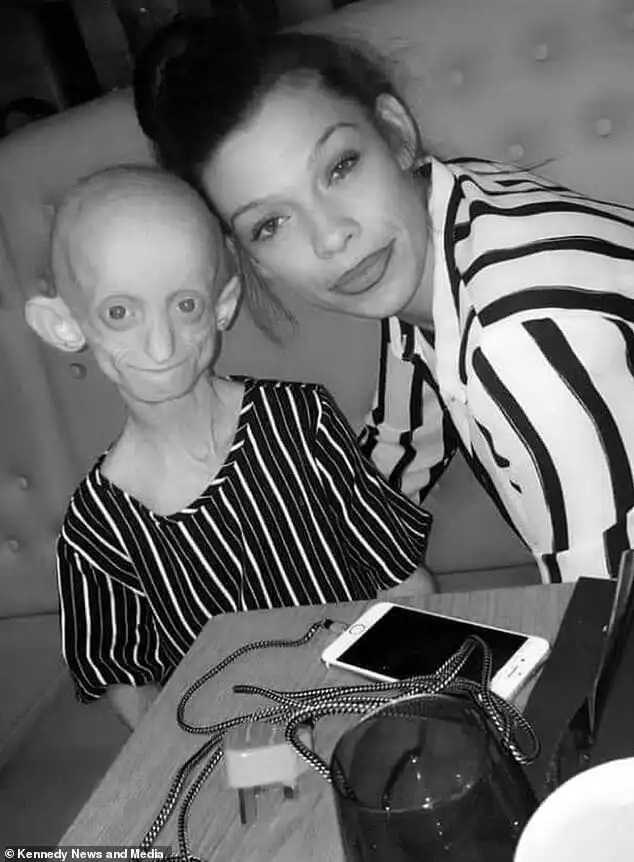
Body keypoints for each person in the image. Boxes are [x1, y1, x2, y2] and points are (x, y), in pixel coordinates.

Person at [133, 16, 634, 585]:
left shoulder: (520, 342)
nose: (330, 237)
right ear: (249, 256)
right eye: (270, 224)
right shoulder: (443, 222)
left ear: (395, 134)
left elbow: (605, 612)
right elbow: (401, 448)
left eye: (340, 168)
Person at [25, 166, 433, 728]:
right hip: (236, 748)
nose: (161, 344)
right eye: (120, 313)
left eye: (185, 305)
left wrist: (426, 698)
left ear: (222, 304)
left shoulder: (300, 420)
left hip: (373, 713)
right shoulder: (96, 528)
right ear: (64, 325)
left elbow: (402, 579)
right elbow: (129, 687)